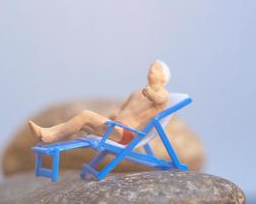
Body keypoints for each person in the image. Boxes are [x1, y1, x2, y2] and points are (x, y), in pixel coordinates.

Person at [28, 60, 171, 146]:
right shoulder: (136, 93)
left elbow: (160, 101)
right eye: (151, 66)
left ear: (164, 78)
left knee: (86, 115)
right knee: (80, 123)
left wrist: (151, 94)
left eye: (157, 69)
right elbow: (119, 110)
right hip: (115, 128)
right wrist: (113, 116)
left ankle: (50, 136)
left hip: (126, 134)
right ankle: (45, 133)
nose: (152, 69)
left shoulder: (163, 93)